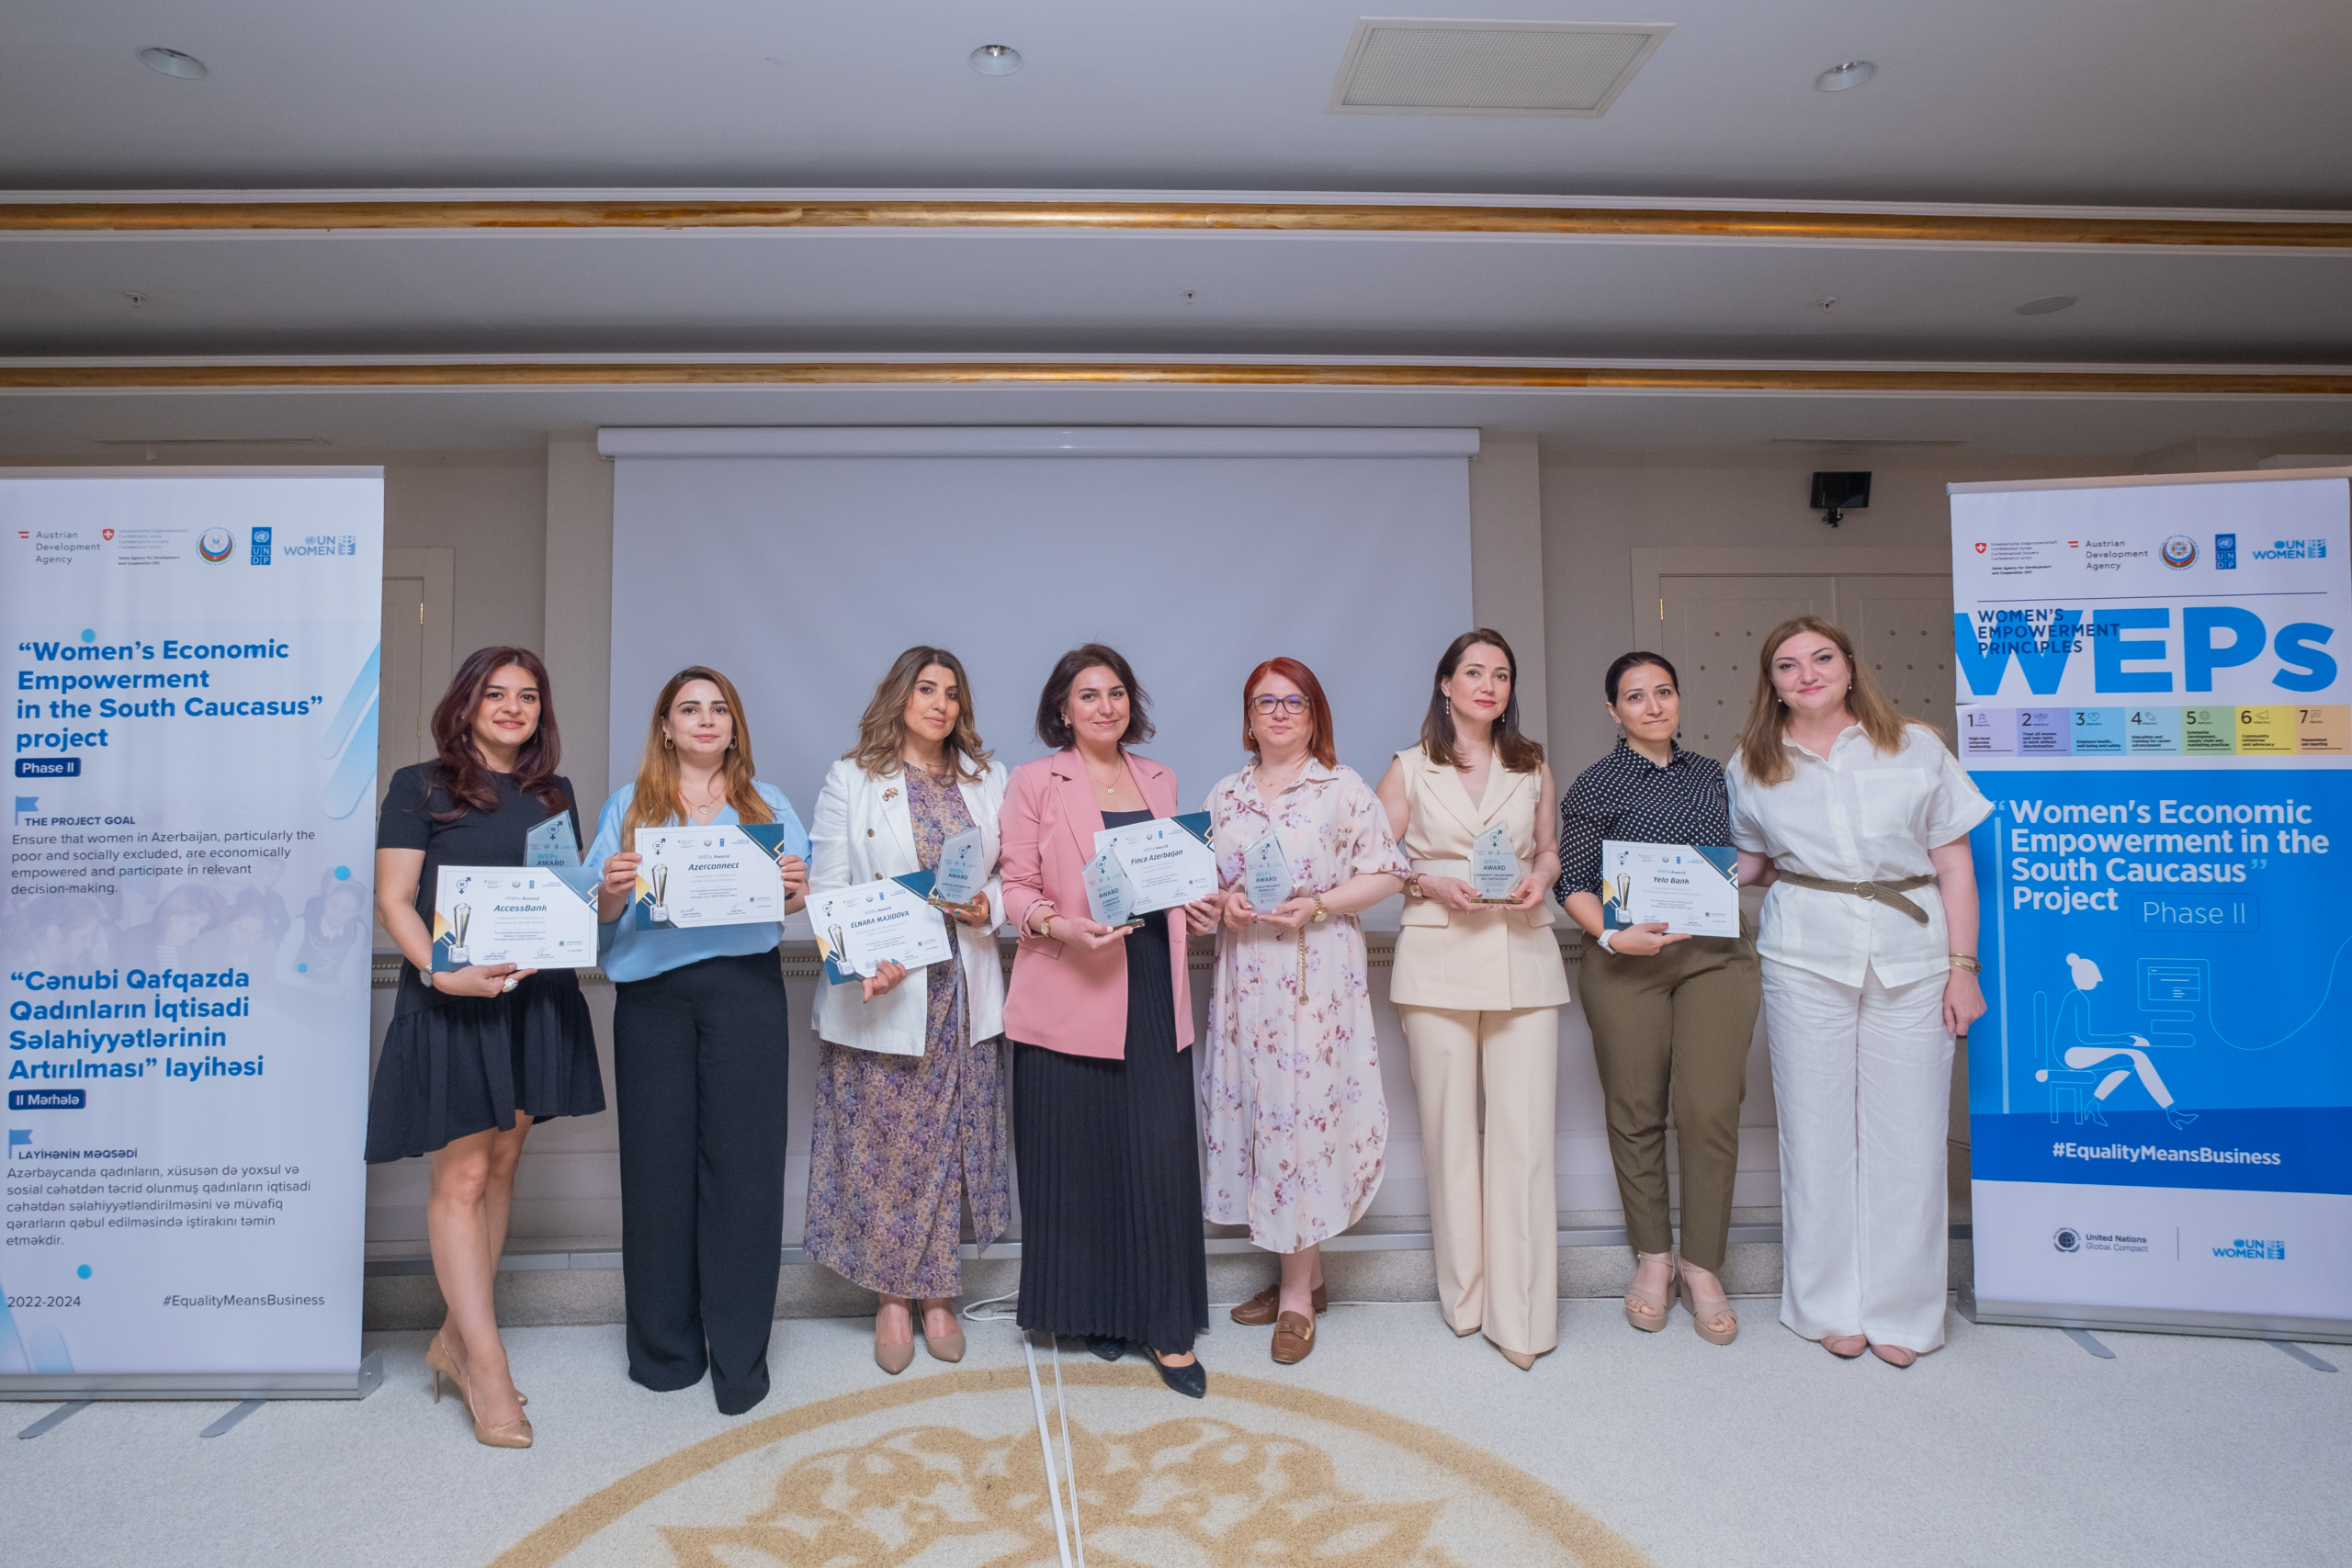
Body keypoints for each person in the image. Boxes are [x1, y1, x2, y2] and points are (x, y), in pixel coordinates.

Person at [1725, 616, 1991, 1368]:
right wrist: (1662, 883)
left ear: (1848, 667)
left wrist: (1964, 968)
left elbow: (1956, 866)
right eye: (1787, 664)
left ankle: (1904, 1311)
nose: (1806, 672)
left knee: (1909, 1137)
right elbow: (1752, 863)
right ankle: (1826, 1306)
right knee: (1814, 1135)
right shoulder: (1751, 762)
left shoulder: (1915, 746)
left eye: (1821, 657)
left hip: (1914, 957)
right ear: (1772, 683)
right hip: (1803, 955)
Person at [368, 647, 603, 1450]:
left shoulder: (553, 793)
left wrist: (598, 896)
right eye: (496, 693)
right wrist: (442, 972)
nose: (512, 707)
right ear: (466, 703)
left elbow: (560, 894)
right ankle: (488, 1367)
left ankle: (456, 1338)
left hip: (533, 1000)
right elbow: (394, 900)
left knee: (502, 1164)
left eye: (528, 696)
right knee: (463, 1174)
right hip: (455, 1001)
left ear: (542, 711)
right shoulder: (419, 786)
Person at [999, 644, 1221, 1398]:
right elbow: (1016, 885)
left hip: (1151, 979)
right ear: (1063, 709)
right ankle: (1096, 1308)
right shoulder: (1034, 781)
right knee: (1082, 1158)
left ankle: (1165, 1326)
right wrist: (1057, 924)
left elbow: (1182, 880)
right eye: (1088, 695)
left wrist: (1201, 905)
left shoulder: (1162, 779)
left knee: (1157, 1154)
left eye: (1117, 692)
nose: (1105, 705)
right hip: (1072, 977)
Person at [589, 665, 809, 1415]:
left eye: (719, 709)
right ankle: (665, 1353)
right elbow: (595, 913)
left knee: (745, 1171)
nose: (706, 719)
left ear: (734, 725)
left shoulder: (767, 803)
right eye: (690, 708)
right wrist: (611, 890)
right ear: (666, 726)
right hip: (651, 1001)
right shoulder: (629, 806)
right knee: (656, 1172)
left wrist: (795, 886)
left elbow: (794, 899)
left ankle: (740, 1360)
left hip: (745, 994)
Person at [804, 648, 1011, 1375]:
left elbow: (1013, 875)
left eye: (952, 692)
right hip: (887, 988)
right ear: (900, 696)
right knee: (887, 1149)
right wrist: (865, 959)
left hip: (963, 989)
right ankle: (892, 1296)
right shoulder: (853, 778)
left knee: (949, 1145)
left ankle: (939, 1295)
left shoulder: (988, 779)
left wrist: (989, 905)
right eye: (927, 689)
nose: (940, 703)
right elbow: (826, 889)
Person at [1202, 658, 1407, 1365]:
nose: (1281, 712)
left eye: (1295, 701)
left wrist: (1317, 903)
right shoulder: (1225, 794)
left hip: (1313, 976)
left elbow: (1387, 872)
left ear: (1314, 713)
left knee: (1302, 1121)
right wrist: (1225, 904)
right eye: (1267, 702)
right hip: (1245, 980)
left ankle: (1295, 1295)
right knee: (1264, 1119)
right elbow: (1210, 886)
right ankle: (1306, 1278)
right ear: (1249, 718)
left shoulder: (1341, 788)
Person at [1374, 629, 1569, 1371]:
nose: (1489, 685)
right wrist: (1427, 881)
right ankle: (1467, 1302)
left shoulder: (1531, 763)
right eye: (1475, 672)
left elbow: (1547, 849)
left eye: (1502, 674)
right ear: (1446, 683)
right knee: (1449, 1135)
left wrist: (1542, 877)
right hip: (1437, 953)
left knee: (1525, 1138)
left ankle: (1522, 1316)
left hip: (1522, 950)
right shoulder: (1408, 766)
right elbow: (1376, 859)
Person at [1555, 651, 1759, 1346]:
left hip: (1714, 958)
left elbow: (1747, 856)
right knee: (1636, 1110)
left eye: (1663, 691)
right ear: (1613, 710)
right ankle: (1653, 1257)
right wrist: (1613, 936)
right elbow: (1572, 882)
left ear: (1678, 699)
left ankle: (1702, 1264)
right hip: (1627, 961)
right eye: (1635, 695)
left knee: (1709, 1107)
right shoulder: (1594, 783)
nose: (1652, 705)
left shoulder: (1715, 776)